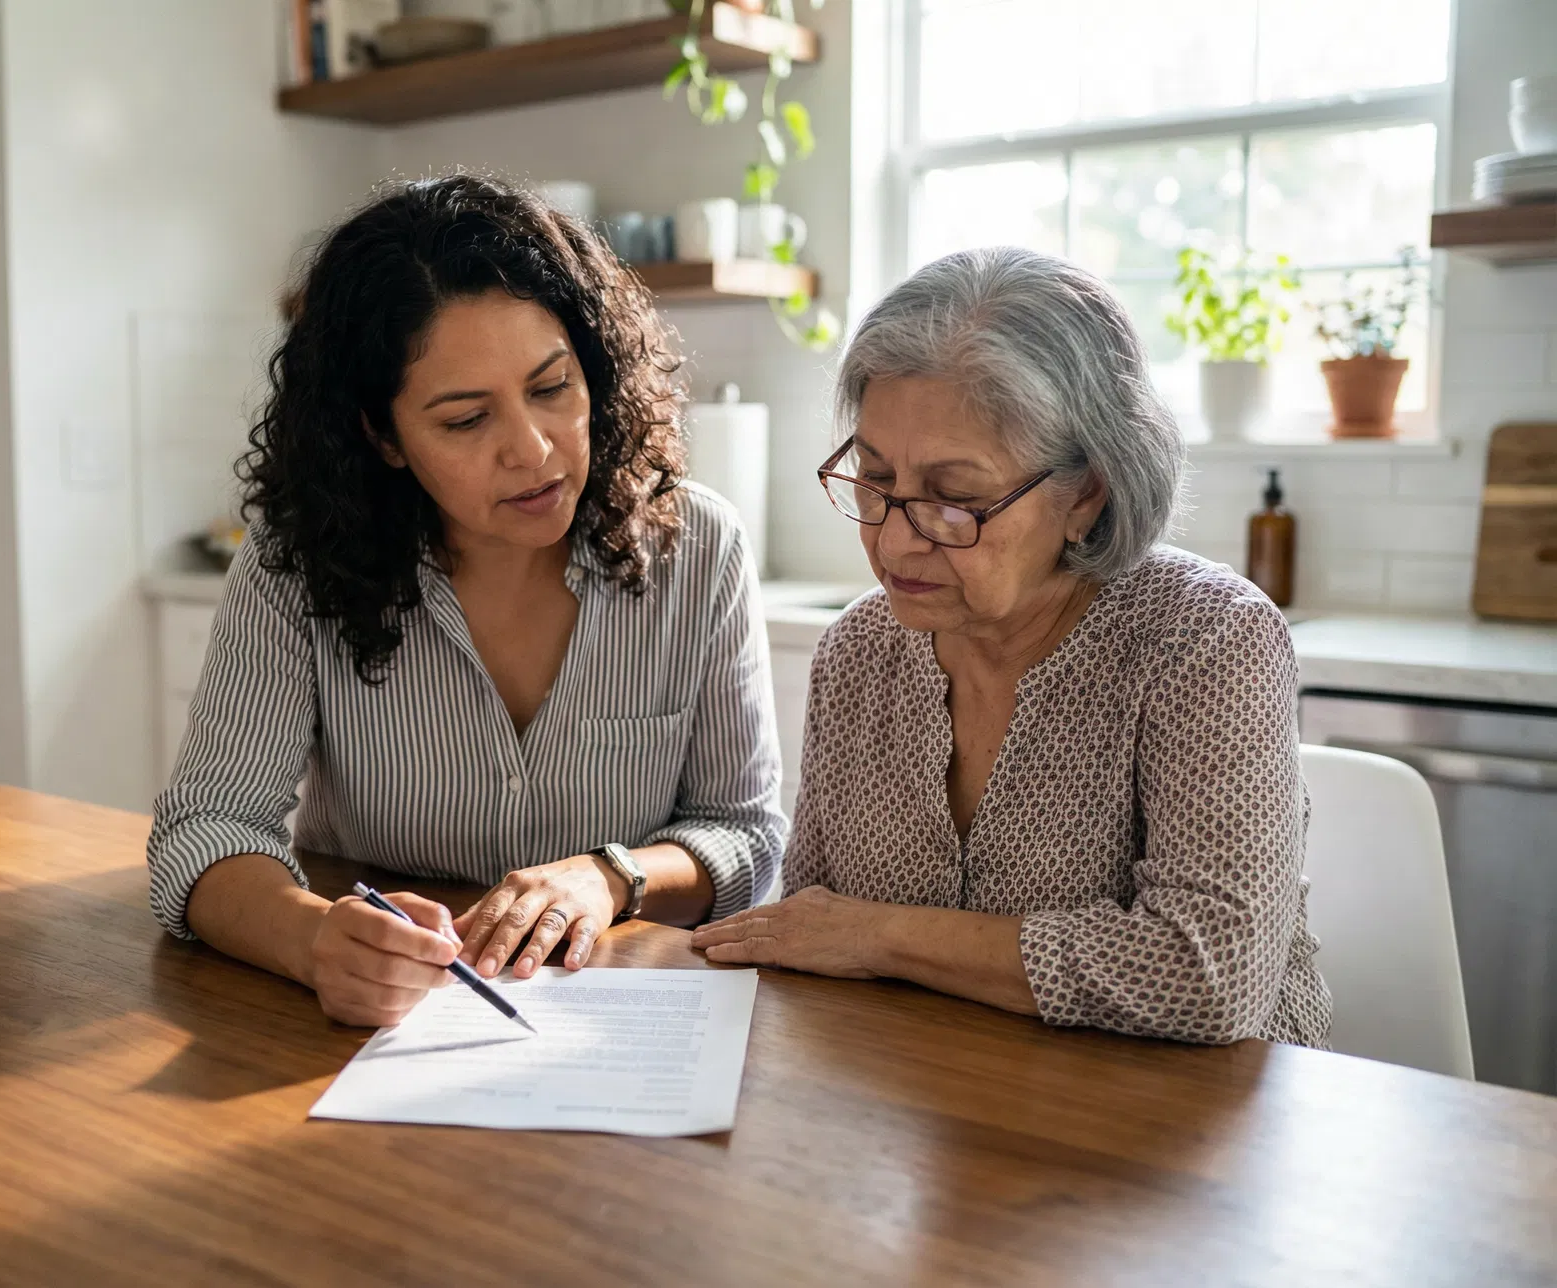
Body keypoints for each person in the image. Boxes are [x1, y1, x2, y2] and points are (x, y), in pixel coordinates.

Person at [148, 174, 784, 1027]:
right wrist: (311, 939)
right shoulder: (296, 566)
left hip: (616, 1028)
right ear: (382, 437)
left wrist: (607, 875)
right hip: (379, 1034)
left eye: (553, 388)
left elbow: (746, 836)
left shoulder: (698, 550)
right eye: (463, 420)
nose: (531, 450)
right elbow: (205, 829)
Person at [693, 246, 1331, 1047]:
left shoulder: (1201, 640)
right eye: (875, 479)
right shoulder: (860, 650)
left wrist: (881, 935)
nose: (895, 542)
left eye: (955, 500)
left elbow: (1208, 974)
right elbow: (812, 937)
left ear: (1087, 491)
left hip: (1211, 1130)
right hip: (951, 1111)